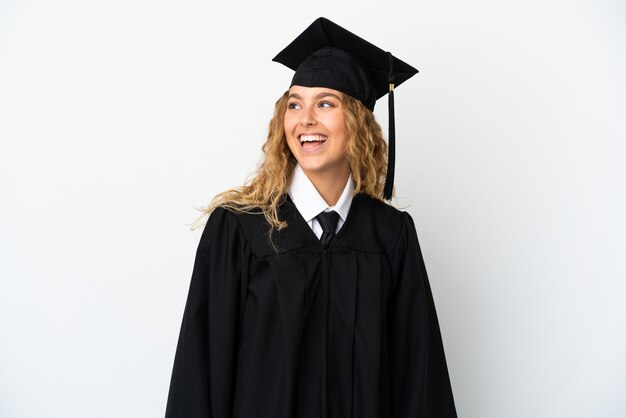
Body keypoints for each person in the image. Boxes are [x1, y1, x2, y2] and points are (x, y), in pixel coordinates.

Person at [165, 17, 457, 418]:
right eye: (294, 104)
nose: (305, 119)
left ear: (356, 121)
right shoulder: (240, 229)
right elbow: (200, 373)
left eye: (325, 103)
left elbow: (420, 378)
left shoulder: (390, 237)